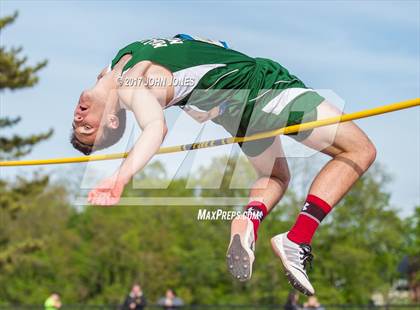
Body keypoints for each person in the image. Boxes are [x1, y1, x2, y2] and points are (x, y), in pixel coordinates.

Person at [71, 34, 376, 295]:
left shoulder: (113, 67)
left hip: (233, 108)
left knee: (275, 176)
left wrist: (198, 97)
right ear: (112, 120)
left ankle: (250, 219)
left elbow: (192, 50)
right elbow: (155, 129)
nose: (78, 119)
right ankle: (297, 239)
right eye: (87, 129)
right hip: (262, 87)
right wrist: (122, 176)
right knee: (359, 151)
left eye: (77, 125)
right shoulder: (130, 88)